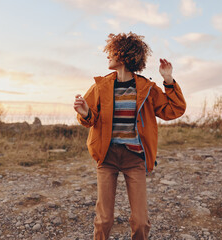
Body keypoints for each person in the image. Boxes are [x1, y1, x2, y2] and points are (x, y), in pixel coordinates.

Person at [73, 32, 186, 240]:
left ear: (123, 55)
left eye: (111, 53)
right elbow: (90, 118)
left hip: (134, 159)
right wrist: (85, 113)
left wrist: (168, 80)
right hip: (107, 157)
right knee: (104, 219)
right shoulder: (101, 86)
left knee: (141, 222)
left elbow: (174, 110)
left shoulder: (147, 89)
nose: (107, 57)